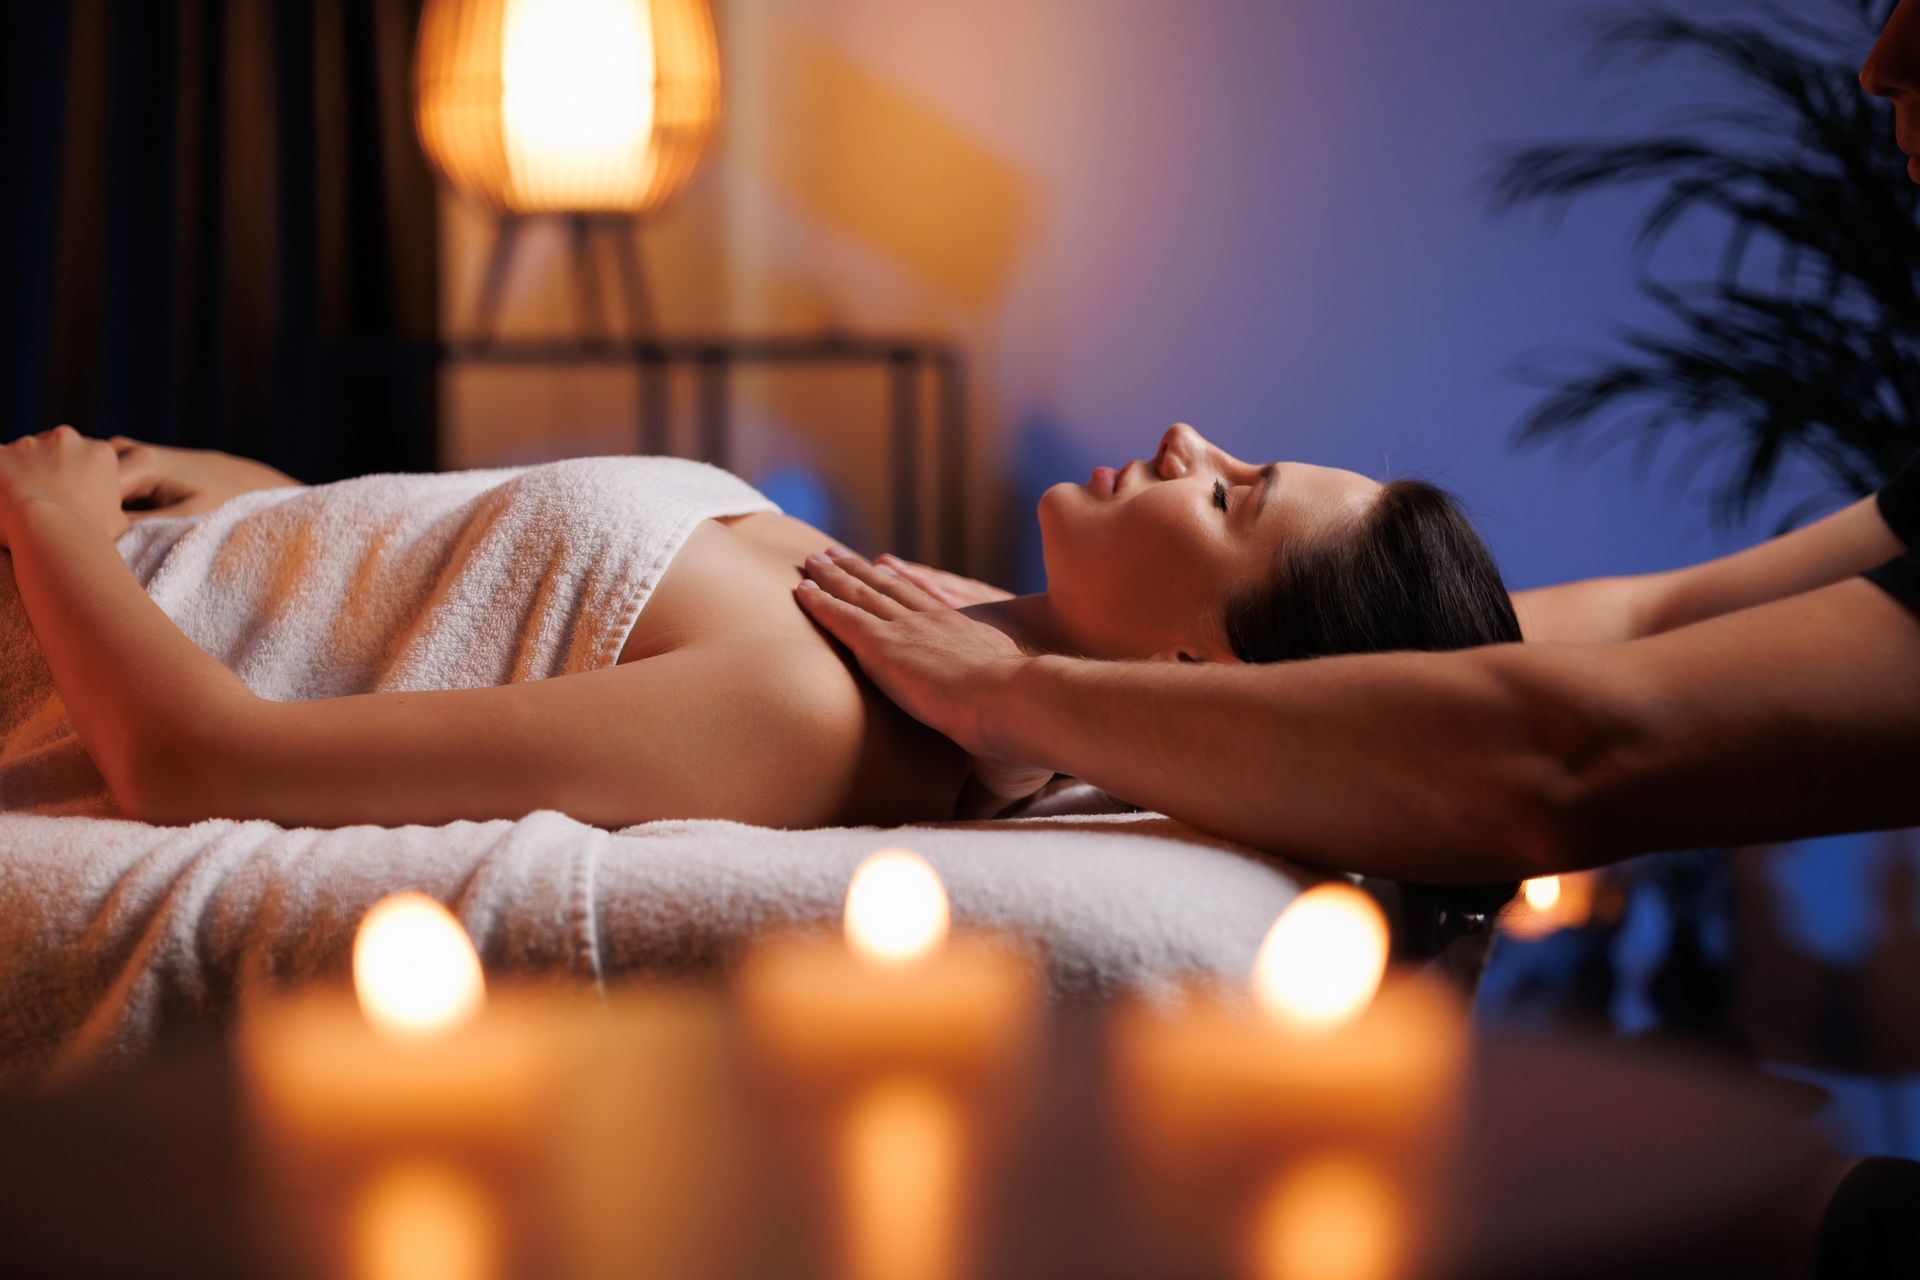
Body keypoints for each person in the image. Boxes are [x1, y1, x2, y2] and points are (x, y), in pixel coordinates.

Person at [795, 1, 1920, 885]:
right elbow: (1646, 622)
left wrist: (1023, 691)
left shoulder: (818, 709)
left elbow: (1563, 756)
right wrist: (1046, 637)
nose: (1883, 59)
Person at [0, 422, 1515, 830]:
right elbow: (438, 595)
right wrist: (240, 495)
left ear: (1207, 678)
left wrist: (54, 527)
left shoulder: (822, 719)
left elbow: (202, 765)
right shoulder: (888, 608)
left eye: (1236, 501)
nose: (1194, 438)